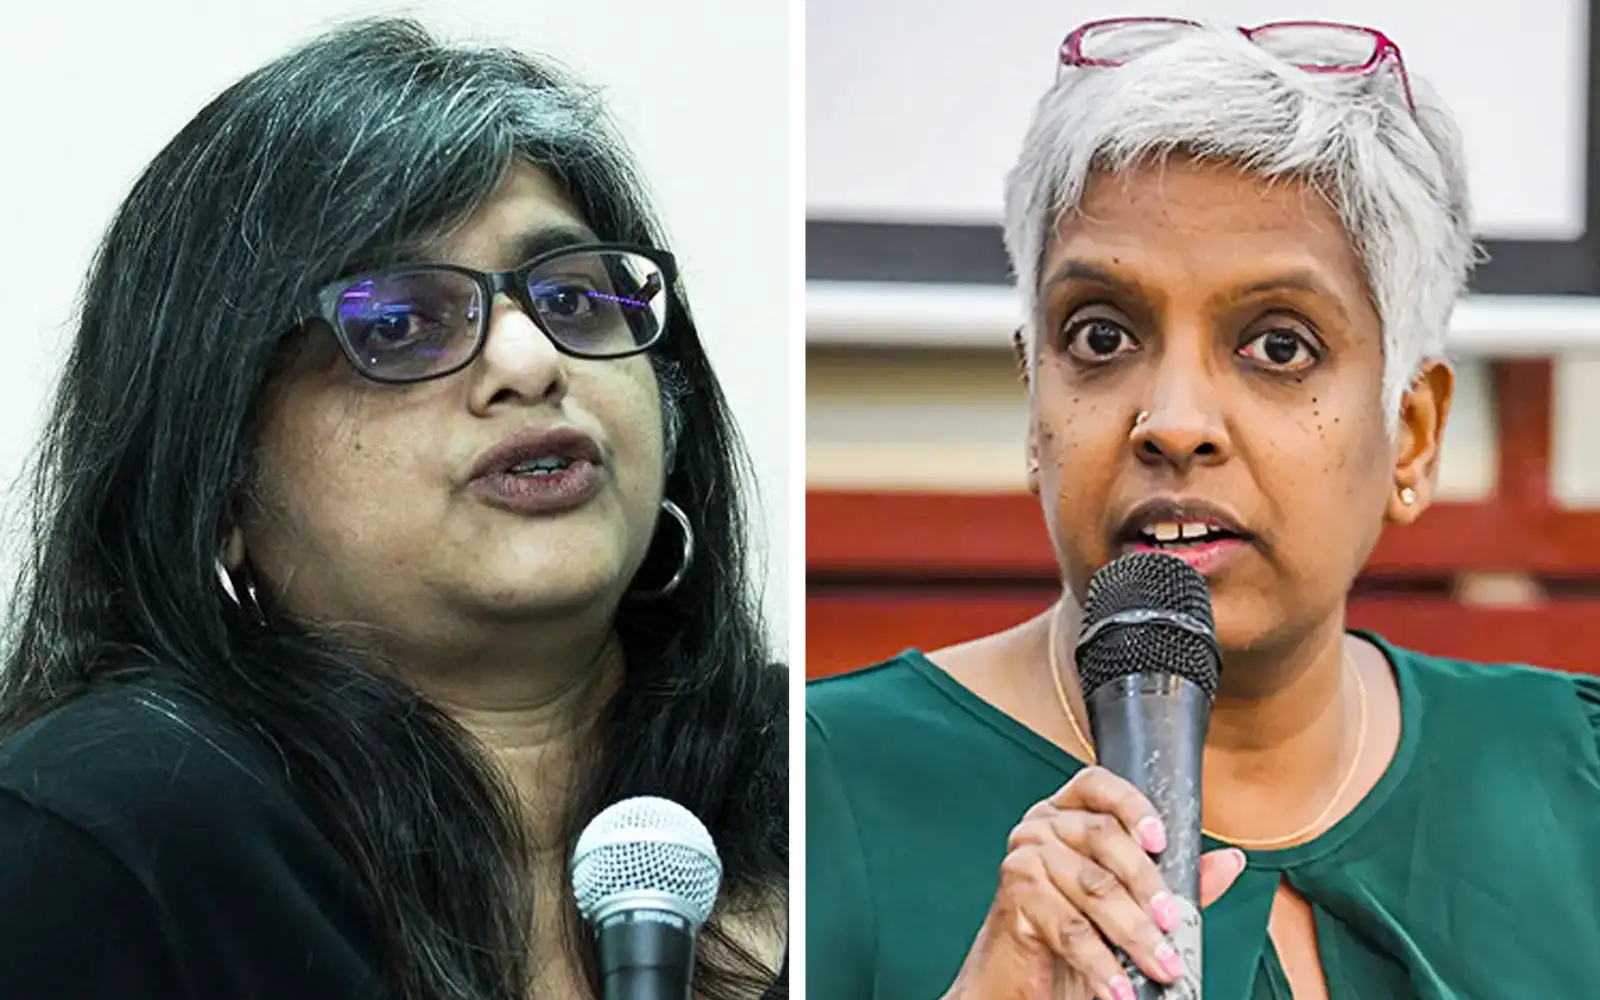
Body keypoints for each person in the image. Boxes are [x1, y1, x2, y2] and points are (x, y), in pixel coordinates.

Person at [807, 17, 1600, 1000]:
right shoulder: (815, 797)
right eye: (1100, 337)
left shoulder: (1574, 781)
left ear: (1411, 434)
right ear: (1034, 406)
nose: (1173, 423)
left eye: (1278, 346)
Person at [0, 18, 786, 1000]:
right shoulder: (103, 847)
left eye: (575, 301)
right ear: (220, 481)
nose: (531, 361)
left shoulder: (821, 779)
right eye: (400, 322)